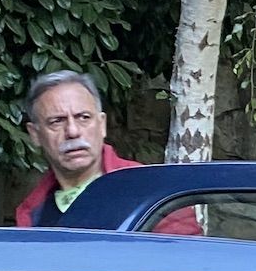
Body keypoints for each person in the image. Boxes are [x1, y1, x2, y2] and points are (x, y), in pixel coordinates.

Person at [14, 71, 159, 225]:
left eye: (83, 117)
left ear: (102, 124)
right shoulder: (32, 214)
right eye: (56, 121)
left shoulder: (147, 188)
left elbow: (177, 247)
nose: (72, 132)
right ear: (35, 134)